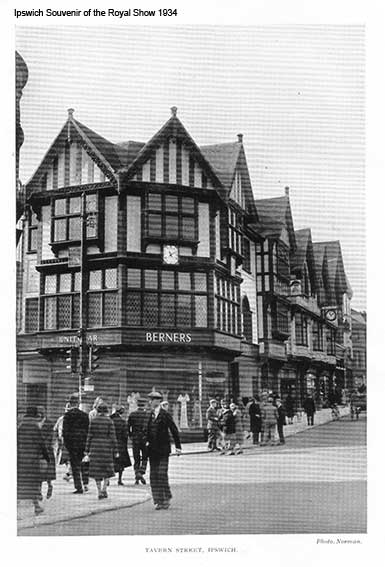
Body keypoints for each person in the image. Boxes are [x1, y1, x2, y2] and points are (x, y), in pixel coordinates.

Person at [145, 391, 181, 510]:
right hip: (152, 450)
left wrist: (178, 446)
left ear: (157, 401)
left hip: (163, 449)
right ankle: (158, 501)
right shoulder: (149, 415)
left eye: (152, 400)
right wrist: (145, 442)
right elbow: (146, 431)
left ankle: (166, 498)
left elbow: (174, 429)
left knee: (161, 473)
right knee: (153, 475)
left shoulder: (165, 414)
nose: (150, 402)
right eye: (150, 400)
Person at [17, 406, 50, 515]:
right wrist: (46, 456)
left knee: (21, 482)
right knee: (33, 483)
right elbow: (41, 443)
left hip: (21, 458)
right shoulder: (35, 427)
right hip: (32, 459)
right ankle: (36, 506)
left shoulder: (20, 426)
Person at [84, 402, 118, 499]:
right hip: (107, 447)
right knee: (107, 469)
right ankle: (104, 489)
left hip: (95, 447)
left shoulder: (93, 421)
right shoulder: (109, 421)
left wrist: (87, 450)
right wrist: (115, 450)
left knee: (96, 470)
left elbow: (89, 436)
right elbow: (113, 436)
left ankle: (99, 491)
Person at [62, 393, 90, 494]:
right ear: (78, 404)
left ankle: (78, 487)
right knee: (83, 464)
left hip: (72, 444)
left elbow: (65, 432)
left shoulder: (67, 416)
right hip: (82, 443)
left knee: (74, 465)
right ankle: (85, 483)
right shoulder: (85, 416)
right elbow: (88, 431)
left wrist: (67, 445)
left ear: (70, 404)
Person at [128, 397, 150, 485]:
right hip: (145, 439)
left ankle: (137, 473)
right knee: (145, 457)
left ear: (137, 404)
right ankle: (141, 472)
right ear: (144, 405)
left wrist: (131, 436)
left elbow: (128, 427)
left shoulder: (132, 414)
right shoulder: (147, 415)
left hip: (135, 439)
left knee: (136, 458)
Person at [37, 406, 56, 499]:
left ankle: (50, 486)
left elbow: (51, 436)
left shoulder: (49, 423)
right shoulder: (35, 423)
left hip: (47, 450)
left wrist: (46, 444)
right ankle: (39, 492)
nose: (39, 414)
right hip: (38, 450)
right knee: (38, 473)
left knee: (48, 472)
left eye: (41, 412)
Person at [110, 406, 132, 485]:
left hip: (111, 443)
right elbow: (125, 435)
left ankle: (107, 480)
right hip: (121, 444)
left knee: (111, 461)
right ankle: (119, 479)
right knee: (120, 463)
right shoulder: (123, 422)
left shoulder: (111, 420)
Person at [53, 403, 72, 481]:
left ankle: (69, 473)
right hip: (63, 441)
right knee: (66, 459)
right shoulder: (61, 419)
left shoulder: (72, 419)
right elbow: (55, 429)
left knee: (69, 458)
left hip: (70, 441)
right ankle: (69, 472)